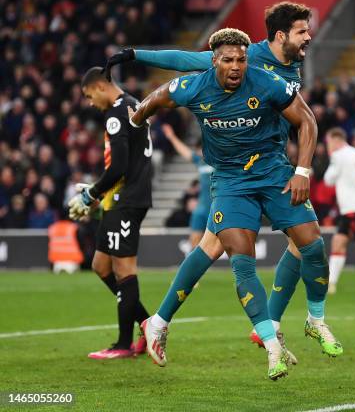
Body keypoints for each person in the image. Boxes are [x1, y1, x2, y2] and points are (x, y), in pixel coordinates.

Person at [130, 28, 341, 380]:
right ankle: (272, 345)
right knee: (239, 260)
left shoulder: (267, 81)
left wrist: (302, 171)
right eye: (228, 60)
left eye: (241, 59)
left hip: (274, 174)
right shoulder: (195, 86)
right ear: (214, 61)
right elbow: (158, 96)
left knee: (313, 244)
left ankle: (315, 320)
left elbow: (306, 120)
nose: (236, 66)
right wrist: (135, 122)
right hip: (231, 183)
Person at [105, 2, 318, 349]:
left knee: (215, 247)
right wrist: (133, 54)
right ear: (281, 36)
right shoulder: (244, 57)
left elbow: (300, 118)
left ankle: (159, 322)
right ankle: (266, 324)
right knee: (287, 240)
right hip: (241, 171)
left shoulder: (290, 65)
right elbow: (182, 61)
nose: (309, 37)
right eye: (302, 32)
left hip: (268, 163)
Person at [69, 67, 152, 359]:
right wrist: (99, 192)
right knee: (101, 265)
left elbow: (118, 166)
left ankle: (123, 344)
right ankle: (148, 323)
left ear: (101, 87)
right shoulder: (133, 104)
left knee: (123, 269)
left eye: (90, 96)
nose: (91, 103)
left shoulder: (117, 112)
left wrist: (91, 193)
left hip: (126, 199)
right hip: (118, 198)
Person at [322, 127, 355, 294]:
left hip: (351, 208)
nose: (328, 146)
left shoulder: (339, 156)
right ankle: (330, 284)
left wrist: (332, 156)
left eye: (329, 142)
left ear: (336, 140)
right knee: (338, 242)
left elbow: (328, 180)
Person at [161, 124, 213, 248]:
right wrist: (171, 136)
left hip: (217, 209)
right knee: (194, 242)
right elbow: (185, 151)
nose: (196, 152)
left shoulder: (220, 162)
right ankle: (194, 266)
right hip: (201, 209)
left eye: (198, 149)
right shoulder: (200, 162)